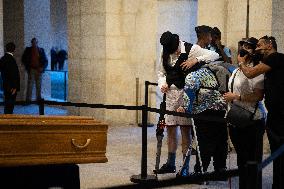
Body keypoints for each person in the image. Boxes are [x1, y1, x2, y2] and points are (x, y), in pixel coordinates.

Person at [156, 31, 219, 177]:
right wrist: (162, 83)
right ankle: (171, 163)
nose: (174, 51)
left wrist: (196, 60)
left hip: (185, 94)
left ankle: (184, 167)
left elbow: (214, 55)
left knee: (185, 131)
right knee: (170, 129)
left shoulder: (192, 48)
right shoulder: (165, 50)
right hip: (170, 95)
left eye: (175, 48)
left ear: (178, 42)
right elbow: (161, 72)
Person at [180, 25, 229, 178]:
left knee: (203, 141)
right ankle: (220, 170)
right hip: (221, 107)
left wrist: (185, 108)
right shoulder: (215, 67)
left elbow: (189, 95)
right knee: (221, 139)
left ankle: (201, 171)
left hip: (203, 110)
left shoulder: (193, 75)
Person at [239, 36, 284, 189]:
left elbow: (250, 73)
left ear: (270, 45)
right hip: (275, 114)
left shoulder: (276, 57)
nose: (257, 48)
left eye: (259, 45)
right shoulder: (272, 61)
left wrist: (241, 62)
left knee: (279, 152)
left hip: (280, 116)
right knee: (276, 152)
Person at [223, 37, 265, 189]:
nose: (244, 49)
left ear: (254, 51)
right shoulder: (238, 69)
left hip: (252, 121)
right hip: (237, 118)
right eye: (243, 46)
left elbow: (258, 96)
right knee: (241, 159)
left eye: (248, 47)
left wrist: (236, 97)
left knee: (251, 160)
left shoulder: (256, 69)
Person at [0, 42, 20, 114]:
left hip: (5, 84)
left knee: (7, 103)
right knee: (10, 105)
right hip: (11, 86)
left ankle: (6, 118)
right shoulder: (11, 59)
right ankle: (9, 119)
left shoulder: (3, 58)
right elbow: (14, 74)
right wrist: (14, 87)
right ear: (13, 49)